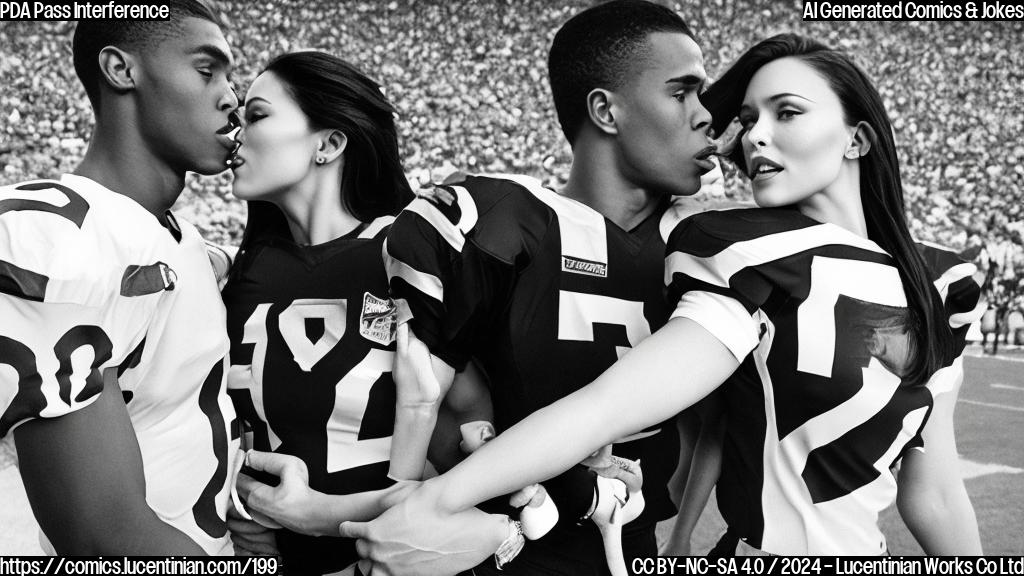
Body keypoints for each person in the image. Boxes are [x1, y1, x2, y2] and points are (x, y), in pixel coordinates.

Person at [340, 33, 984, 569]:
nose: (754, 136)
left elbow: (936, 494)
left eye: (786, 113)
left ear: (858, 140)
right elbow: (604, 407)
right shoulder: (747, 256)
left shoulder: (945, 284)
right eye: (750, 120)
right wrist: (436, 503)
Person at [0, 0, 241, 554]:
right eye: (207, 71)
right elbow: (106, 535)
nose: (231, 97)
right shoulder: (62, 240)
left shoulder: (177, 239)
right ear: (121, 70)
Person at [220, 51, 468, 574]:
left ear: (329, 144)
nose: (234, 132)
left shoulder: (409, 252)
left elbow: (474, 446)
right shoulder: (239, 274)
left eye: (257, 115)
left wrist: (328, 518)